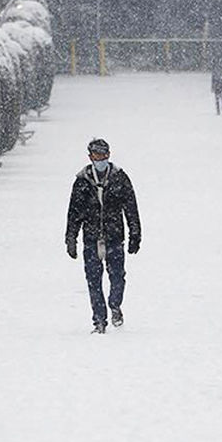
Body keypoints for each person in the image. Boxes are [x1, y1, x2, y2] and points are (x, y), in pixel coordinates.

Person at [65, 138, 141, 333]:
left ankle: (115, 305)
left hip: (114, 237)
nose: (101, 158)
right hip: (91, 238)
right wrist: (70, 239)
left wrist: (135, 234)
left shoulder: (119, 177)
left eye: (104, 155)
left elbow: (131, 207)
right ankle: (99, 320)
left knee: (117, 277)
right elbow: (74, 212)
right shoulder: (82, 181)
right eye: (97, 155)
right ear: (90, 157)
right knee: (93, 279)